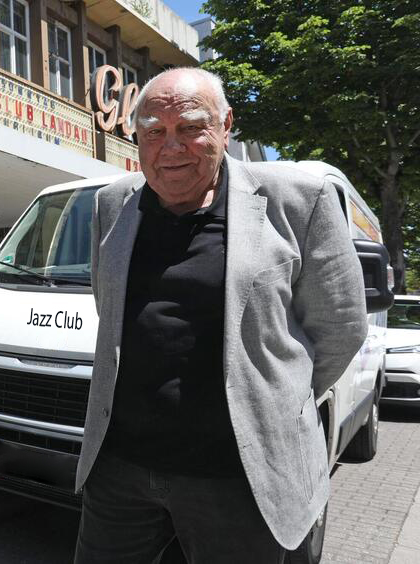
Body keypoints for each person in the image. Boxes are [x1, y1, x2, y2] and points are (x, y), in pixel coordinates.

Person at [74, 67, 368, 563]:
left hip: (240, 479)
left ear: (225, 125)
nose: (172, 147)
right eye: (154, 132)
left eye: (191, 127)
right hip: (121, 471)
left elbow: (340, 326)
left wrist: (273, 399)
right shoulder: (112, 204)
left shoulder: (299, 201)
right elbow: (112, 313)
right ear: (137, 135)